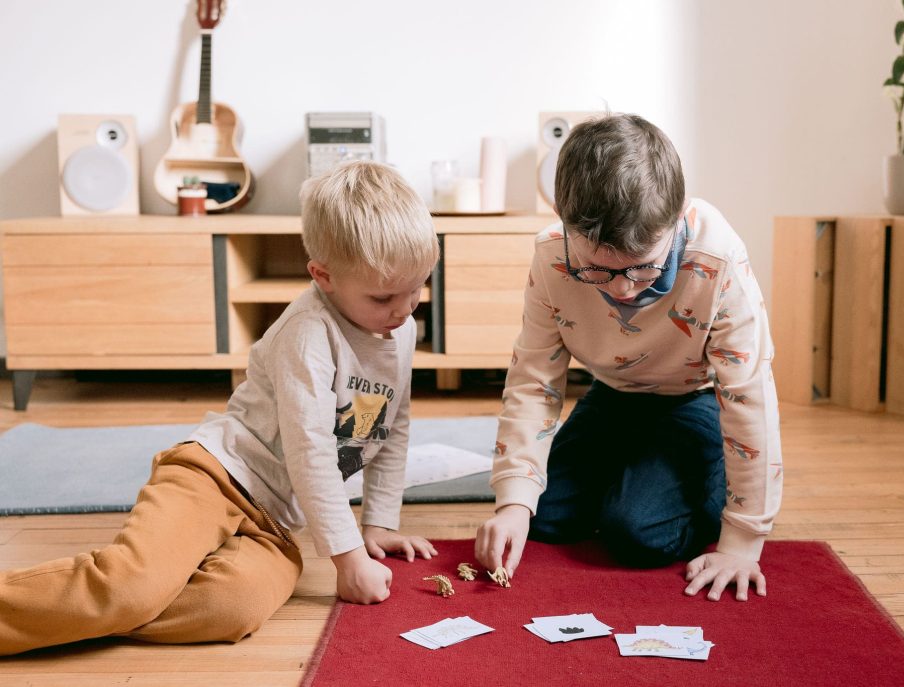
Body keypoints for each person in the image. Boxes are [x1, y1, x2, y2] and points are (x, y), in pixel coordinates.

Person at [0, 160, 440, 655]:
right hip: (214, 477)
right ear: (323, 276)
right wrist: (347, 558)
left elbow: (392, 428)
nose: (404, 310)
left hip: (274, 520)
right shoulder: (307, 334)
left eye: (417, 289)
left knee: (233, 609)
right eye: (384, 297)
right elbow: (311, 451)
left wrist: (379, 522)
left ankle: (101, 611)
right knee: (132, 587)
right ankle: (104, 601)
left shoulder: (402, 330)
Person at [474, 113, 782, 601]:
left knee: (637, 533)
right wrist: (512, 501)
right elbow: (535, 380)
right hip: (613, 393)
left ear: (676, 217)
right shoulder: (552, 256)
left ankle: (690, 477)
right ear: (563, 220)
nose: (620, 290)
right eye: (596, 270)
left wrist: (743, 540)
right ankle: (639, 470)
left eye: (642, 268)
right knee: (543, 517)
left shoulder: (718, 259)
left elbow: (748, 399)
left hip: (694, 399)